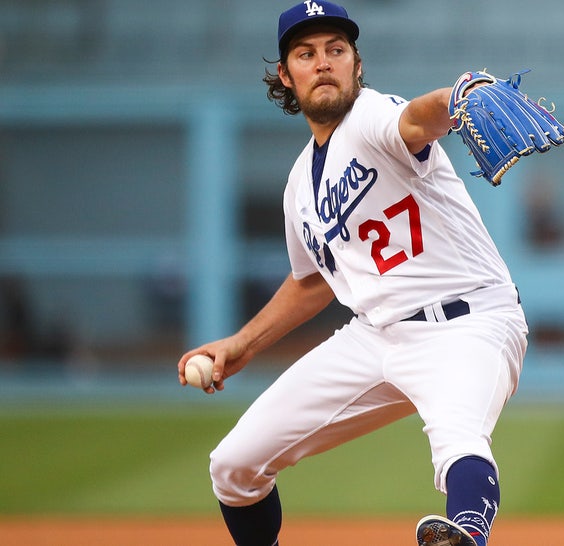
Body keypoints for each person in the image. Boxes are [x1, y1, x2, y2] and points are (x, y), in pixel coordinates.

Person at [177, 2, 528, 544]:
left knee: (459, 439)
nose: (323, 63)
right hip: (374, 336)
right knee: (233, 465)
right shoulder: (299, 188)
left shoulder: (371, 118)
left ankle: (464, 535)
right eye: (306, 53)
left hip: (468, 322)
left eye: (336, 50)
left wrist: (458, 98)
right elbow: (312, 281)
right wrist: (243, 344)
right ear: (285, 75)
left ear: (356, 65)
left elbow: (418, 117)